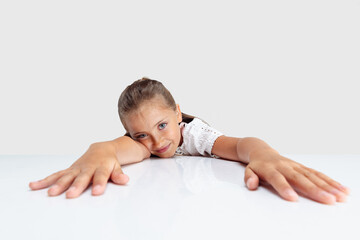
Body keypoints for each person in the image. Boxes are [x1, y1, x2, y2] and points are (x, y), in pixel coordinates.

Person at [29, 77, 350, 204]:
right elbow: (121, 149)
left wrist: (264, 153)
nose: (156, 142)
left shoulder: (195, 135)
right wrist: (100, 149)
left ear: (178, 112)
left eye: (163, 125)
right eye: (141, 134)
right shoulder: (147, 142)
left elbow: (238, 145)